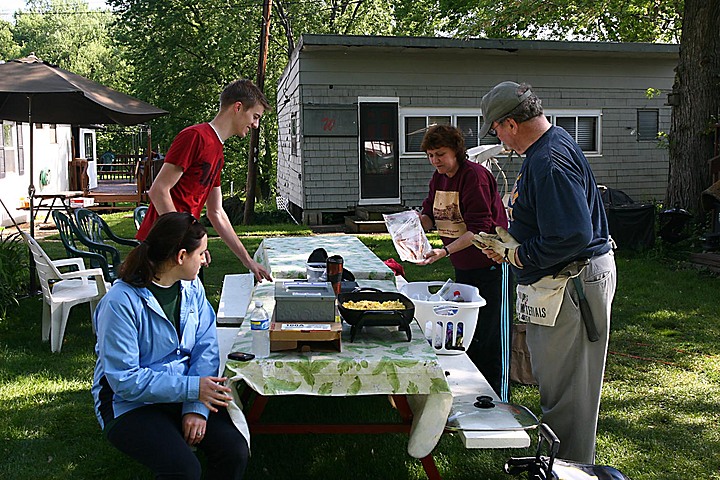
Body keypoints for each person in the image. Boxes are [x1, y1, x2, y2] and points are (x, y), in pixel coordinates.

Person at [475, 81, 616, 464]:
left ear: (510, 124)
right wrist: (508, 237)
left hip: (573, 283)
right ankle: (556, 465)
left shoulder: (549, 159)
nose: (499, 141)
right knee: (557, 386)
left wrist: (519, 255)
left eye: (497, 131)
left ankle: (568, 469)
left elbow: (572, 234)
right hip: (562, 280)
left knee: (570, 395)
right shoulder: (548, 147)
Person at [92, 212, 249, 479]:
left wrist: (196, 408)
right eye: (201, 253)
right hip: (127, 404)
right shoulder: (120, 303)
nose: (205, 260)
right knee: (183, 468)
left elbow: (206, 348)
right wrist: (193, 390)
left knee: (234, 450)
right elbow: (125, 381)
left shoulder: (192, 287)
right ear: (181, 257)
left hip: (186, 391)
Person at [137, 78, 272, 282]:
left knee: (190, 311)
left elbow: (216, 212)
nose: (255, 124)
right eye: (254, 116)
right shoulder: (195, 137)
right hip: (161, 247)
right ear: (238, 107)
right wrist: (185, 239)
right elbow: (159, 190)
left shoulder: (218, 150)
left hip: (184, 247)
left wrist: (248, 261)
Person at [417, 124, 509, 396]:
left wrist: (444, 252)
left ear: (457, 151)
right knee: (468, 333)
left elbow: (479, 229)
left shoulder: (475, 177)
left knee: (491, 335)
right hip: (464, 266)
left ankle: (498, 396)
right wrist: (409, 228)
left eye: (440, 154)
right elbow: (429, 214)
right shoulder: (439, 177)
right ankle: (473, 392)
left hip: (492, 264)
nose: (435, 161)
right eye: (430, 155)